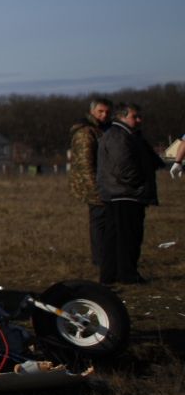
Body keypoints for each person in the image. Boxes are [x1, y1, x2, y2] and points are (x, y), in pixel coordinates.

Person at [95, 101, 164, 286]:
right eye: (135, 116)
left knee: (117, 237)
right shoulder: (118, 136)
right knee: (127, 238)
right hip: (124, 194)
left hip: (122, 193)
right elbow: (123, 167)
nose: (139, 120)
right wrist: (139, 182)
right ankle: (126, 274)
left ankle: (112, 275)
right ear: (122, 116)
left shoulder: (129, 135)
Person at [69, 94, 112, 278]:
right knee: (99, 224)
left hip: (104, 184)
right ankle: (100, 258)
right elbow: (85, 164)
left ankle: (105, 257)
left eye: (107, 112)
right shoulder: (86, 132)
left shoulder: (101, 130)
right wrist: (95, 188)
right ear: (92, 111)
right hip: (95, 185)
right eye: (100, 111)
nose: (104, 115)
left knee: (105, 224)